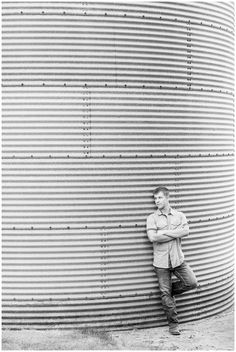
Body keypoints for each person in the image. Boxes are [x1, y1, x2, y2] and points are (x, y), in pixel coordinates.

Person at [146, 186, 198, 335]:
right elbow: (153, 237)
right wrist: (175, 233)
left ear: (167, 198)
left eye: (160, 198)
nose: (157, 201)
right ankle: (173, 325)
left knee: (192, 282)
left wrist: (164, 232)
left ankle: (167, 293)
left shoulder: (180, 215)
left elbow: (186, 231)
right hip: (161, 263)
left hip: (178, 259)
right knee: (165, 294)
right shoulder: (152, 217)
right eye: (155, 198)